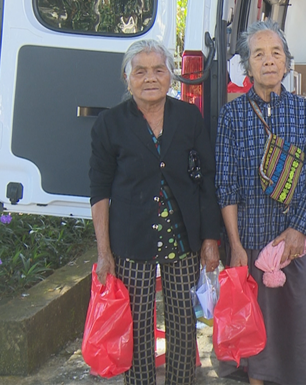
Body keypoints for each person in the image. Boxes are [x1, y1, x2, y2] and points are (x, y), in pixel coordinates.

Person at [89, 39, 221, 385]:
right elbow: (99, 192)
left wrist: (210, 238)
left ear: (171, 76)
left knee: (182, 322)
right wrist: (104, 253)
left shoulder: (189, 117)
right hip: (132, 242)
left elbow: (208, 179)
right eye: (141, 71)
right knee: (136, 324)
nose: (150, 78)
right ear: (127, 77)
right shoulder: (110, 124)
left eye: (158, 70)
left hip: (183, 240)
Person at [215, 20, 306, 385]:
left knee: (293, 324)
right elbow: (226, 184)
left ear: (287, 62)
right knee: (254, 323)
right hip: (250, 238)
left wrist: (300, 230)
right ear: (247, 66)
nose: (268, 61)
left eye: (276, 53)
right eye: (258, 54)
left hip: (293, 242)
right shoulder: (232, 115)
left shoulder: (304, 111)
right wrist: (234, 245)